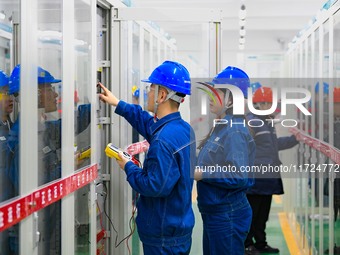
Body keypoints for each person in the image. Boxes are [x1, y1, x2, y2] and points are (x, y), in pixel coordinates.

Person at [98, 60, 196, 255]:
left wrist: (128, 166)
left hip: (162, 235)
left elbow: (154, 186)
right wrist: (118, 104)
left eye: (151, 88)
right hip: (178, 227)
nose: (147, 93)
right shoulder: (183, 129)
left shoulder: (163, 140)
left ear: (162, 94)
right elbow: (146, 122)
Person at [194, 66, 256, 255]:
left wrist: (202, 173)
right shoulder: (222, 126)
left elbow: (238, 176)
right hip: (215, 212)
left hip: (227, 214)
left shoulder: (234, 131)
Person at [7, 64, 62, 255]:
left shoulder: (40, 128)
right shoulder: (22, 138)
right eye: (50, 89)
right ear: (35, 94)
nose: (55, 95)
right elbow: (29, 190)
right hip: (34, 236)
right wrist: (66, 169)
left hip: (47, 229)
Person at [245, 87, 298, 255]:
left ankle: (260, 243)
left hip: (267, 177)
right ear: (260, 104)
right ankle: (247, 244)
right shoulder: (252, 123)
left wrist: (295, 140)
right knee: (252, 213)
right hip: (257, 178)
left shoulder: (266, 123)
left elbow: (273, 145)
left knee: (263, 214)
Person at [0, 69, 14, 255]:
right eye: (3, 92)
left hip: (11, 208)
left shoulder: (10, 124)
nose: (9, 97)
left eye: (9, 92)